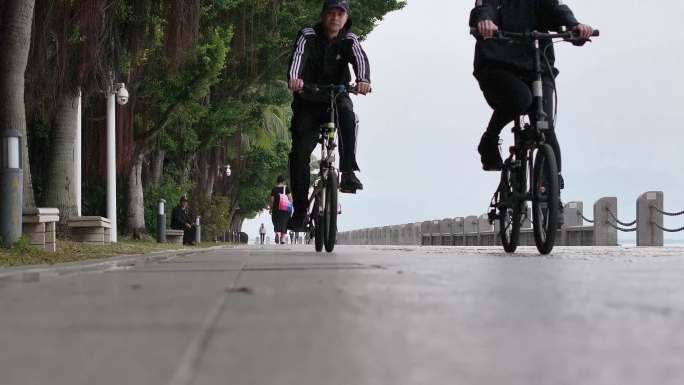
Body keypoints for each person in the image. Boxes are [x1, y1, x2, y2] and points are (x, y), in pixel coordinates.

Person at [470, 0, 593, 185]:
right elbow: (484, 8)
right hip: (499, 65)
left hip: (537, 67)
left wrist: (574, 25)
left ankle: (552, 189)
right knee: (521, 100)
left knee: (545, 124)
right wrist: (485, 22)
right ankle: (490, 138)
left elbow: (556, 9)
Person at [286, 0, 372, 230]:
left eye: (340, 13)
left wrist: (363, 81)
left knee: (348, 115)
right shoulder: (308, 35)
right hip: (308, 100)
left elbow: (360, 60)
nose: (335, 18)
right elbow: (297, 60)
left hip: (337, 95)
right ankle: (302, 210)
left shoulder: (349, 39)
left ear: (346, 17)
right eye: (331, 13)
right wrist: (295, 80)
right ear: (323, 15)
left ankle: (347, 172)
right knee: (299, 153)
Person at [269, 175, 293, 245]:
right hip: (285, 209)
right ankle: (282, 238)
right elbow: (290, 199)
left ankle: (277, 234)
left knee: (276, 221)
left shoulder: (274, 189)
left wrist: (271, 209)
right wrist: (289, 206)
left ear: (277, 181)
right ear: (283, 181)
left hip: (276, 209)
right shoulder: (286, 188)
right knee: (284, 223)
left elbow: (272, 200)